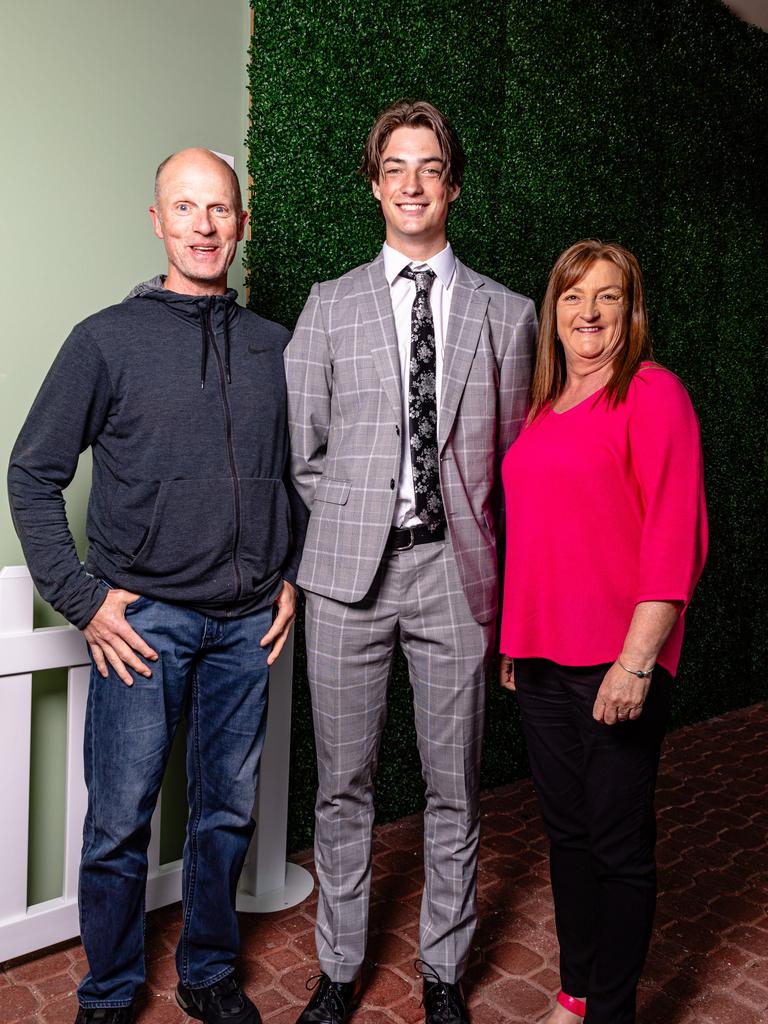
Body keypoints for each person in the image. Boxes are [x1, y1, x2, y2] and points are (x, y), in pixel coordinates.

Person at [8, 148, 307, 1024]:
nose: (204, 226)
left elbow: (298, 477)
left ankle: (210, 976)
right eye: (186, 208)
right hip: (144, 624)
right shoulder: (103, 340)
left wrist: (289, 574)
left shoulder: (276, 347)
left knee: (225, 817)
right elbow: (32, 473)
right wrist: (84, 598)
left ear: (241, 224)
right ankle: (109, 989)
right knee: (118, 825)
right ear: (156, 221)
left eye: (219, 209)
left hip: (248, 626)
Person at [285, 99, 536, 1024]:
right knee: (343, 783)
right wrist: (358, 524)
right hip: (347, 582)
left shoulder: (509, 317)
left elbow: (511, 462)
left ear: (453, 185)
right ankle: (339, 966)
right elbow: (305, 451)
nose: (413, 183)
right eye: (396, 167)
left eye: (429, 167)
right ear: (376, 184)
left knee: (452, 785)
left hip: (456, 577)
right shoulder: (328, 305)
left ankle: (442, 973)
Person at [498, 239, 708, 1024]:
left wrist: (637, 662)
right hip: (543, 661)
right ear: (552, 311)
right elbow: (536, 533)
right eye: (573, 297)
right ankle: (577, 995)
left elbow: (674, 536)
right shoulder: (542, 407)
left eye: (609, 297)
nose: (589, 313)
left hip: (617, 663)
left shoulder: (653, 394)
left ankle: (611, 1012)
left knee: (618, 850)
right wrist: (515, 639)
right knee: (568, 838)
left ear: (632, 310)